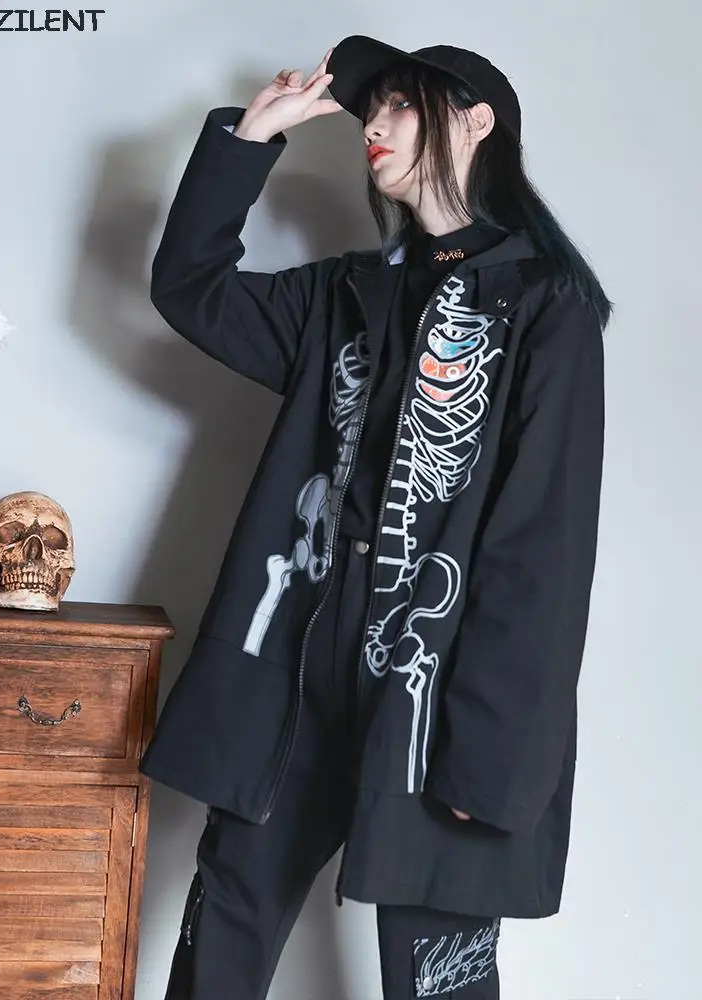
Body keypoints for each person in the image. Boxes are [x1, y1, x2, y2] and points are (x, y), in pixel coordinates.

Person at [139, 34, 611, 1000]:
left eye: (402, 104)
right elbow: (190, 290)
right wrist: (247, 141)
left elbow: (543, 550)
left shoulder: (546, 306)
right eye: (374, 107)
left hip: (437, 692)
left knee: (437, 972)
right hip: (296, 669)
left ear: (476, 124)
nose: (375, 125)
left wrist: (496, 759)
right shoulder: (345, 294)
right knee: (222, 927)